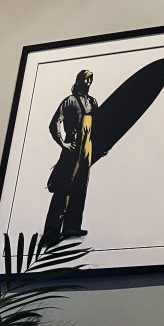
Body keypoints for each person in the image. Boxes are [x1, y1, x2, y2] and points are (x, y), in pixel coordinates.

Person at [44, 69, 100, 242]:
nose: (88, 83)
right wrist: (63, 143)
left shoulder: (93, 102)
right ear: (78, 81)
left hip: (87, 150)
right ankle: (52, 232)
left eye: (91, 80)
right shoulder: (70, 101)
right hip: (72, 151)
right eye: (86, 79)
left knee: (80, 187)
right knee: (63, 188)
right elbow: (54, 123)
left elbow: (99, 127)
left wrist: (100, 147)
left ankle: (72, 227)